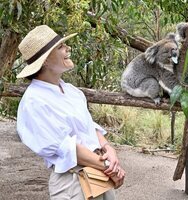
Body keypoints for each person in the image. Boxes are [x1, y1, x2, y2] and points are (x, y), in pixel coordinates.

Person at [16, 25, 125, 200]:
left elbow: (90, 128)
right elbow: (66, 147)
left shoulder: (72, 91)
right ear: (44, 60)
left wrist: (109, 150)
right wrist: (110, 168)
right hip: (73, 182)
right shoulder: (34, 101)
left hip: (99, 176)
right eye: (60, 47)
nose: (68, 49)